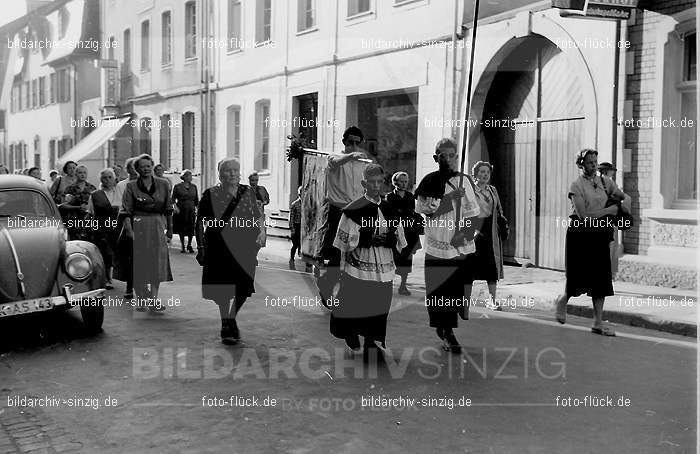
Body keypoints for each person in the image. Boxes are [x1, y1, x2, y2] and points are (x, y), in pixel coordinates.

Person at [331, 164, 406, 363]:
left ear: (383, 183)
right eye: (371, 182)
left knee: (380, 306)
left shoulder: (388, 208)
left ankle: (372, 345)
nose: (375, 186)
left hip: (384, 266)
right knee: (356, 304)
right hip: (359, 267)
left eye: (379, 182)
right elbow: (344, 240)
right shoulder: (354, 209)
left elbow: (399, 239)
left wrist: (388, 239)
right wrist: (367, 239)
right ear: (364, 183)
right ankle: (351, 334)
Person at [415, 138, 481, 353]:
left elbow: (473, 213)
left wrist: (467, 235)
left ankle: (449, 330)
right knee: (438, 291)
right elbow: (426, 210)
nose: (449, 159)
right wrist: (450, 197)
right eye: (444, 155)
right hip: (437, 245)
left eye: (452, 155)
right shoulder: (429, 181)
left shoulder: (465, 181)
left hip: (458, 245)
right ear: (436, 158)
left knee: (454, 291)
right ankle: (443, 329)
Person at [555, 149, 629, 336]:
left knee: (601, 279)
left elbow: (624, 197)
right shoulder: (576, 186)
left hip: (600, 235)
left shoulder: (605, 182)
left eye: (595, 162)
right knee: (577, 277)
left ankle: (597, 322)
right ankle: (563, 300)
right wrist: (609, 212)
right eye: (590, 162)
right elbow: (585, 216)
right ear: (581, 164)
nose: (594, 166)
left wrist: (622, 206)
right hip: (581, 234)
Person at [196, 158, 266, 345]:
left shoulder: (248, 191)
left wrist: (261, 231)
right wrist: (200, 247)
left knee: (244, 285)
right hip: (218, 246)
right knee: (223, 287)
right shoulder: (210, 194)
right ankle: (227, 323)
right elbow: (199, 221)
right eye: (228, 170)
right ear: (219, 173)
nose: (233, 173)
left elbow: (257, 215)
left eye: (236, 170)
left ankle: (230, 318)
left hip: (245, 245)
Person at [317, 126, 371, 301]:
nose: (354, 145)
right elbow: (334, 161)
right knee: (336, 252)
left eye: (357, 142)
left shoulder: (363, 163)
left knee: (356, 250)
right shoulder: (335, 157)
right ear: (344, 142)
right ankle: (327, 284)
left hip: (357, 210)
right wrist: (350, 156)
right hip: (338, 210)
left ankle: (349, 291)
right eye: (350, 142)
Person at [121, 154, 173, 312]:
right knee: (139, 263)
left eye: (148, 166)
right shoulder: (131, 186)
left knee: (157, 263)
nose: (146, 169)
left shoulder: (163, 184)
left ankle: (154, 299)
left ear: (152, 166)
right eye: (142, 166)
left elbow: (169, 209)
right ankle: (142, 299)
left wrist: (170, 230)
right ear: (137, 170)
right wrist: (129, 231)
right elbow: (125, 211)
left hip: (157, 224)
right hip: (138, 225)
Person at [470, 161, 505, 310]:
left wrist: (503, 225)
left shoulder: (492, 190)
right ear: (475, 174)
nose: (485, 175)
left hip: (490, 231)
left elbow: (499, 210)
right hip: (473, 232)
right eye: (482, 172)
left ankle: (492, 300)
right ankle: (464, 299)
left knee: (492, 267)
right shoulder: (469, 190)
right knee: (470, 266)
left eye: (487, 172)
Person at [385, 171, 423, 296]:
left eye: (405, 181)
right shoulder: (389, 197)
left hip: (408, 231)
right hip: (395, 231)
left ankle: (403, 285)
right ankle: (389, 284)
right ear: (395, 182)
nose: (403, 184)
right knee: (393, 257)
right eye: (401, 181)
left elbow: (413, 212)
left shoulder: (410, 196)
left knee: (407, 258)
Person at [88, 168, 121, 289]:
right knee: (105, 252)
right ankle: (107, 278)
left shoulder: (120, 192)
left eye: (109, 177)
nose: (107, 180)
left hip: (117, 227)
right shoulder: (95, 195)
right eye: (104, 178)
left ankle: (115, 275)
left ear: (114, 179)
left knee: (116, 252)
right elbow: (90, 212)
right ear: (101, 180)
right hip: (102, 227)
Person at [115, 157, 138, 299]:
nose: (136, 171)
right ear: (127, 169)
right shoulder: (122, 186)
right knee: (130, 257)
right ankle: (129, 286)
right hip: (127, 223)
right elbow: (120, 208)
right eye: (133, 168)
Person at [62, 165, 97, 241]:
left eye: (84, 173)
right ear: (76, 174)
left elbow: (96, 204)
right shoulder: (69, 189)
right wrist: (78, 207)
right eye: (80, 172)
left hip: (88, 221)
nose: (82, 175)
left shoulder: (92, 188)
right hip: (74, 222)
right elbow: (63, 206)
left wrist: (89, 207)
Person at [598, 162, 621, 276]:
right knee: (611, 246)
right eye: (611, 170)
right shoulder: (610, 183)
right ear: (606, 171)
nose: (613, 172)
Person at [172, 169, 199, 253]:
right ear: (184, 177)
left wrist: (198, 209)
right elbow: (172, 199)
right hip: (181, 209)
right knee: (181, 227)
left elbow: (196, 200)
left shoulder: (194, 187)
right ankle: (183, 245)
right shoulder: (177, 187)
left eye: (191, 175)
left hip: (191, 209)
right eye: (188, 175)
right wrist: (175, 207)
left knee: (191, 227)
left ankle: (189, 245)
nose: (190, 177)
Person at [289, 186, 303, 270]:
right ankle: (292, 257)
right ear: (299, 194)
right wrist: (292, 228)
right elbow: (291, 217)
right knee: (295, 243)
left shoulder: (306, 204)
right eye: (302, 194)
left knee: (302, 242)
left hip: (303, 226)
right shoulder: (295, 204)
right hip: (296, 225)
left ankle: (300, 253)